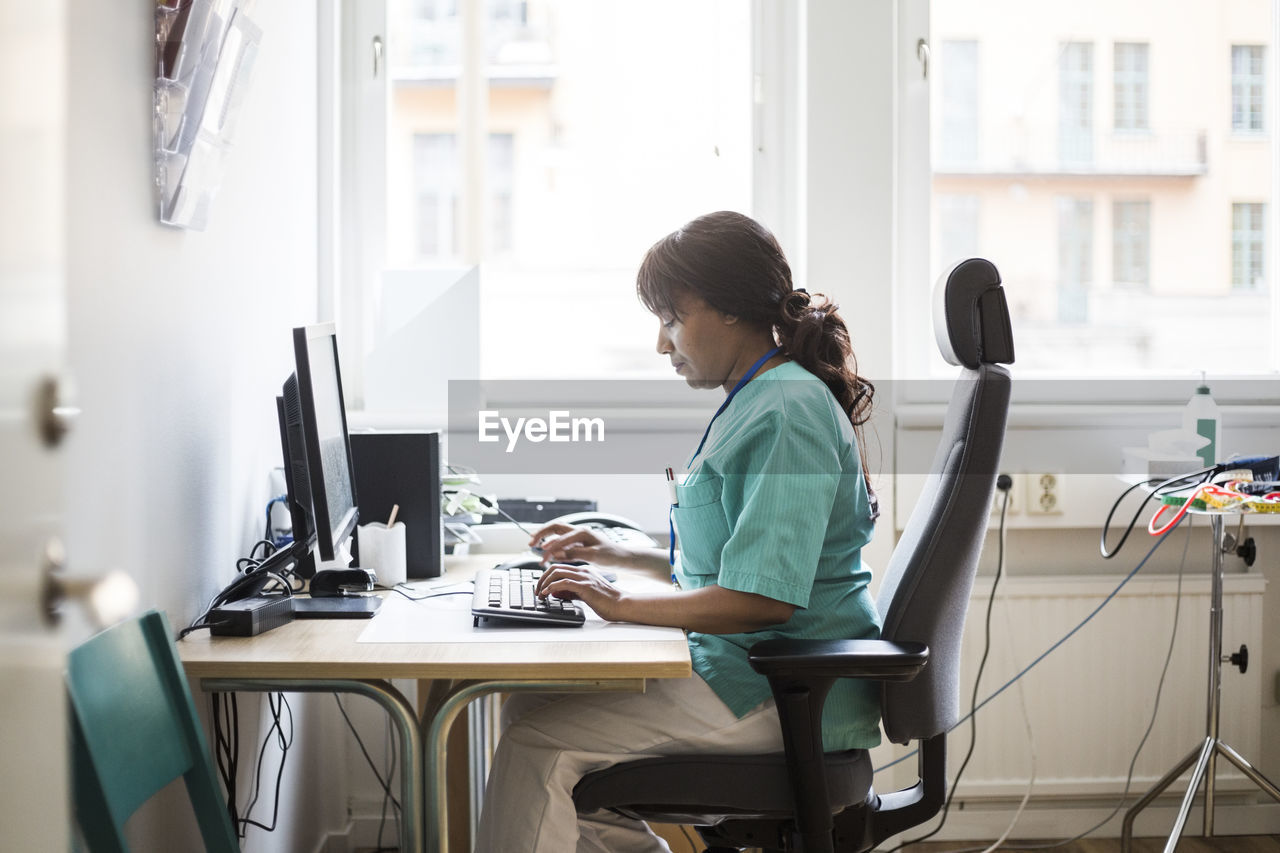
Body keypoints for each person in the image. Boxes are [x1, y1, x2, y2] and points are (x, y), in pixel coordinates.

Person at [473, 210, 881, 853]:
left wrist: (618, 603)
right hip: (755, 673)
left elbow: (764, 599)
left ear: (730, 310)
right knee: (523, 707)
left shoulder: (786, 411)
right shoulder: (756, 398)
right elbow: (734, 557)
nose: (663, 345)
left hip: (779, 694)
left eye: (670, 320)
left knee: (538, 746)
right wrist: (623, 551)